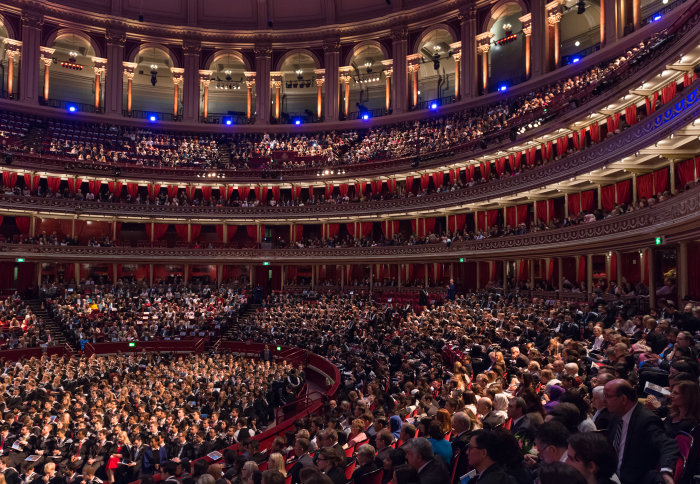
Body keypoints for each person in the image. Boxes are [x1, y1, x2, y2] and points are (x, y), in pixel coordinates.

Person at [603, 379, 679, 484]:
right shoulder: (617, 414)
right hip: (611, 475)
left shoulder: (646, 420)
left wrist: (666, 472)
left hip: (632, 480)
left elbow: (668, 445)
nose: (604, 400)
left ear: (623, 399)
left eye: (607, 396)